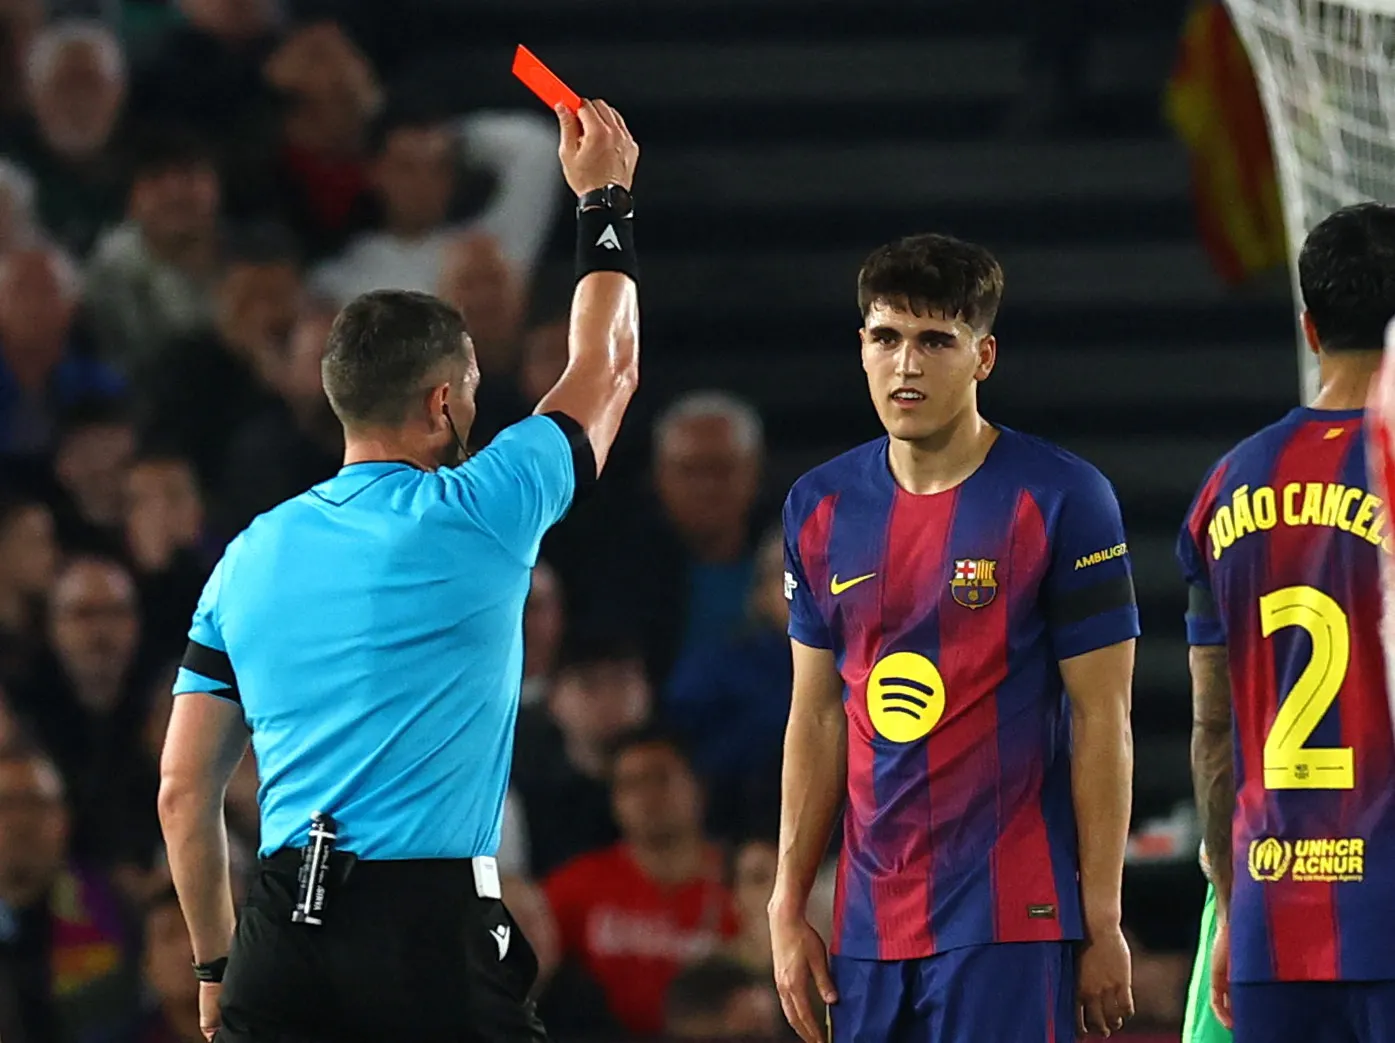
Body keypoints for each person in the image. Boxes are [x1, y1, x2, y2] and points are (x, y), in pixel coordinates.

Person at [156, 98, 639, 1043]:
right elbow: (607, 366)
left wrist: (217, 965)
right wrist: (605, 199)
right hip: (426, 934)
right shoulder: (480, 509)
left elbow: (183, 789)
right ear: (444, 399)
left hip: (279, 934)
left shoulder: (246, 554)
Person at [771, 233, 1139, 1043]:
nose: (907, 363)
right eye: (886, 337)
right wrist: (787, 901)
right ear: (861, 348)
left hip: (1010, 916)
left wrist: (1101, 915)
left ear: (983, 356)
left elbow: (1100, 719)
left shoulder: (1063, 497)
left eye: (935, 340)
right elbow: (818, 714)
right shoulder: (818, 504)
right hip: (866, 924)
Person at [1179, 202, 1395, 1043]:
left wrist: (1234, 910)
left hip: (1275, 918)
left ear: (1307, 326)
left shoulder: (1223, 487)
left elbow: (1209, 728)